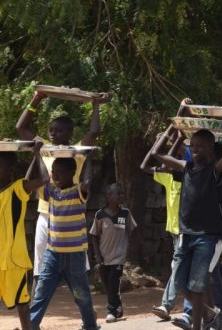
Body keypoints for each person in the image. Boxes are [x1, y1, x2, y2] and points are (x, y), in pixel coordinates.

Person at [151, 117, 222, 330]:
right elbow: (156, 155)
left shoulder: (214, 170)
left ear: (210, 151)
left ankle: (198, 325)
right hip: (185, 234)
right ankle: (208, 313)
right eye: (192, 146)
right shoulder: (185, 168)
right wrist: (173, 128)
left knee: (197, 286)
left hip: (206, 236)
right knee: (179, 281)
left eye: (200, 147)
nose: (195, 149)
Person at [16, 90, 107, 289]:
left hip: (71, 214)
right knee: (40, 263)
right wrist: (36, 99)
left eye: (57, 131)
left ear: (69, 133)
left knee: (77, 265)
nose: (52, 134)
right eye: (50, 130)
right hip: (46, 213)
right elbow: (20, 127)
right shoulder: (45, 147)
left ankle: (85, 307)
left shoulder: (77, 151)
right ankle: (36, 306)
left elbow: (94, 133)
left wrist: (96, 105)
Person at [29, 149, 98, 330]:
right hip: (53, 255)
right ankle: (30, 325)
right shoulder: (51, 192)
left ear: (72, 174)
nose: (55, 175)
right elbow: (44, 178)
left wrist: (89, 160)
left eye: (59, 173)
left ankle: (90, 325)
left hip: (75, 256)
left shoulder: (78, 193)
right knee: (41, 293)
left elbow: (88, 181)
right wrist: (37, 155)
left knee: (81, 295)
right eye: (53, 172)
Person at [141, 124, 191, 321]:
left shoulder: (189, 174)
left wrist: (178, 138)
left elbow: (170, 159)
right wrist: (170, 134)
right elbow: (145, 166)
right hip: (174, 231)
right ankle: (218, 308)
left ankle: (167, 305)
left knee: (178, 269)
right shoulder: (169, 177)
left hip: (186, 231)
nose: (174, 155)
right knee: (201, 273)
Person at [0, 140, 45, 330]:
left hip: (13, 260)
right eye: (6, 164)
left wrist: (37, 155)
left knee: (22, 305)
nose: (10, 168)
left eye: (11, 165)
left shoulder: (18, 188)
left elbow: (44, 180)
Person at [89, 183, 137, 323]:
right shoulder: (100, 214)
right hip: (104, 256)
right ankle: (118, 305)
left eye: (122, 193)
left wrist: (134, 247)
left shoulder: (125, 213)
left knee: (113, 282)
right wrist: (97, 254)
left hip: (119, 256)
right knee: (107, 284)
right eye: (118, 194)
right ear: (108, 196)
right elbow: (94, 236)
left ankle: (111, 310)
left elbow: (133, 230)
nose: (121, 196)